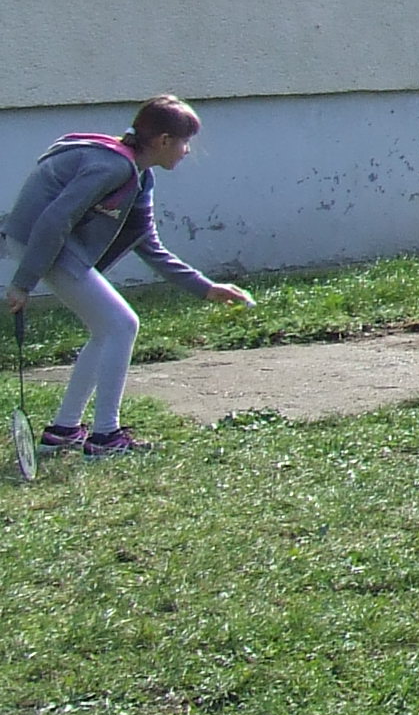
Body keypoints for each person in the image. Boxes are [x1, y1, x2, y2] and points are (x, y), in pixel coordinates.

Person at [1, 96, 255, 457]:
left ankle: (64, 430)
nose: (187, 151)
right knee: (122, 325)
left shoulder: (139, 175)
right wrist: (22, 284)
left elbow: (148, 243)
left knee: (108, 329)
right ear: (164, 140)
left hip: (47, 240)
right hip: (39, 239)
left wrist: (206, 288)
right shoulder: (112, 167)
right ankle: (106, 436)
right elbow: (55, 218)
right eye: (185, 142)